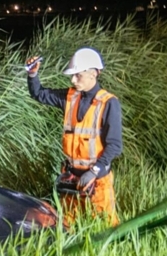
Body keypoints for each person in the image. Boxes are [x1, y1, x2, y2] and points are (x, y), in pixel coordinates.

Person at [25, 47, 123, 226]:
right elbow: (38, 94)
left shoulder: (109, 103)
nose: (73, 79)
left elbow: (115, 145)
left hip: (97, 182)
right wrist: (32, 75)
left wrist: (94, 171)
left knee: (106, 227)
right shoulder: (69, 97)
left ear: (94, 74)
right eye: (73, 75)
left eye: (78, 75)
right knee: (68, 226)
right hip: (71, 179)